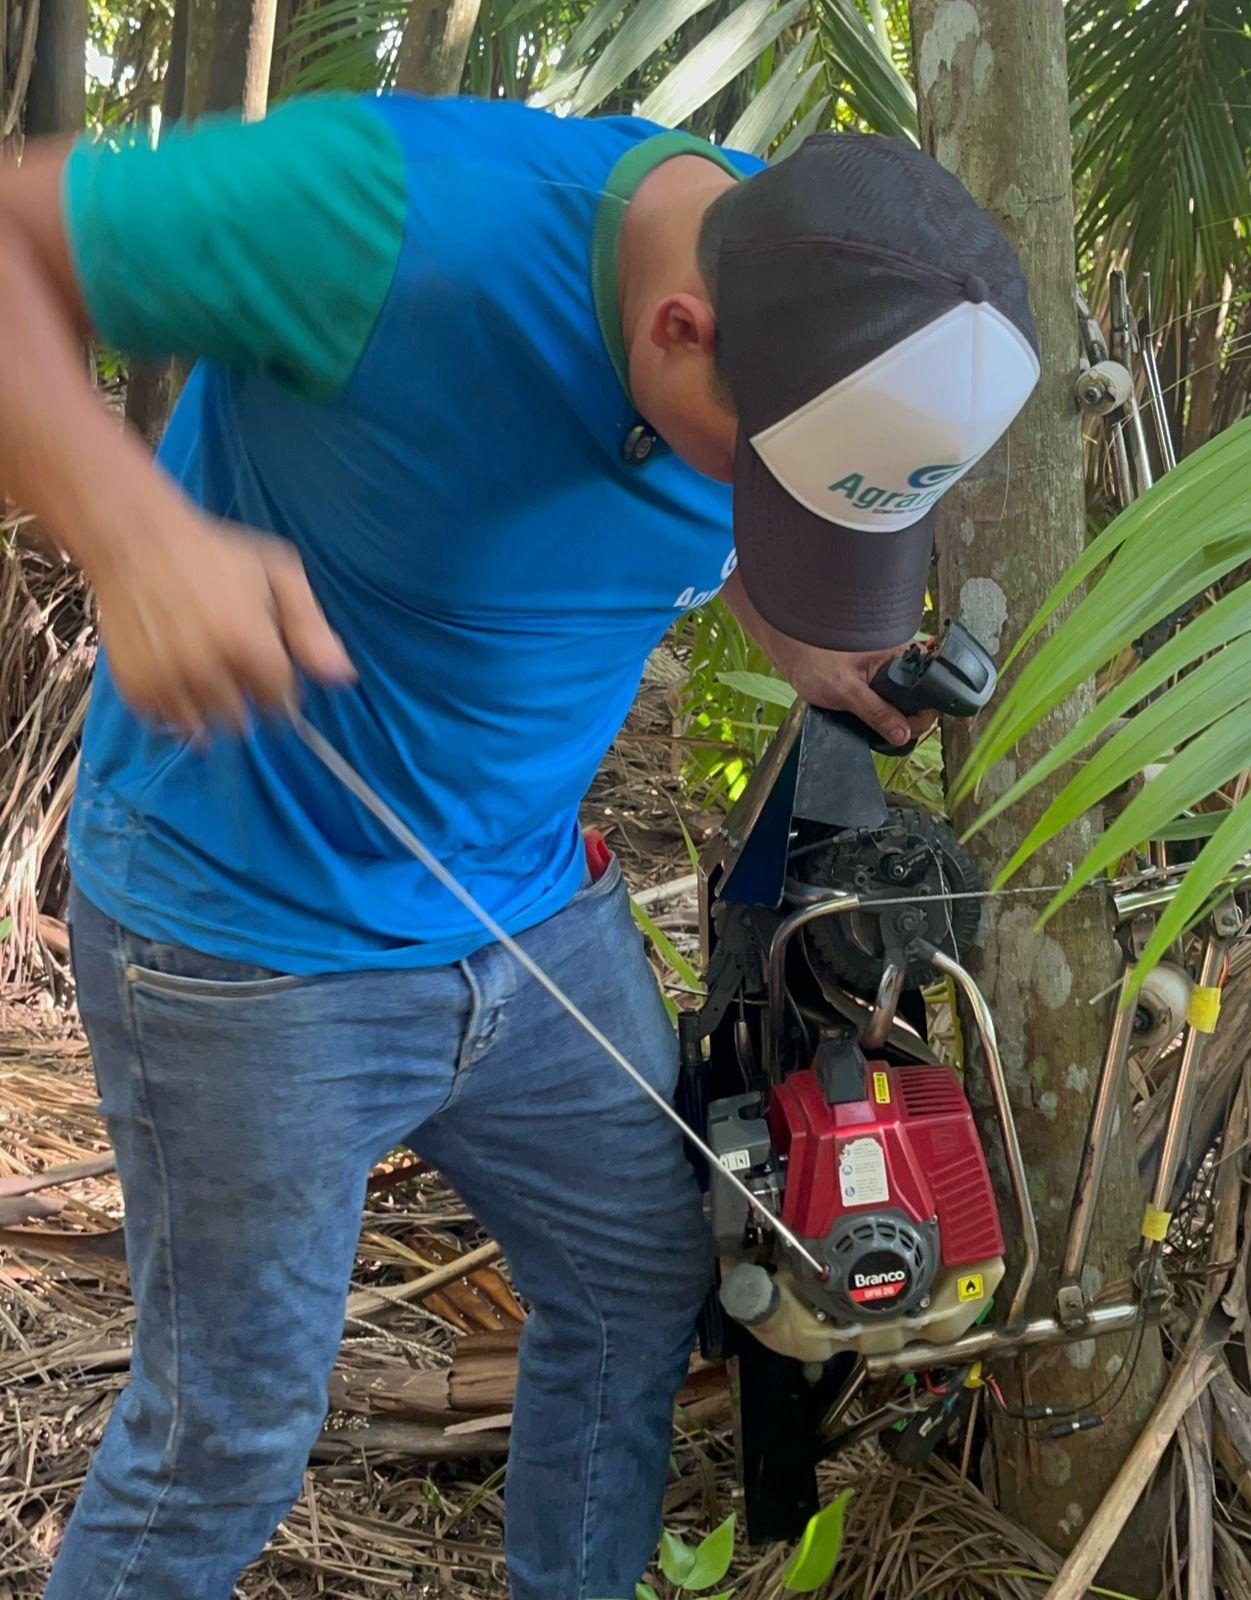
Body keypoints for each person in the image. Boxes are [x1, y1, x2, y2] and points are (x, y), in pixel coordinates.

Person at [0, 90, 1038, 1600]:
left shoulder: (838, 277)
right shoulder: (389, 220)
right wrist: (130, 532)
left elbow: (741, 518)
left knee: (637, 1286)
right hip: (246, 938)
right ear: (679, 329)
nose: (740, 514)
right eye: (752, 485)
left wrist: (817, 645)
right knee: (229, 1430)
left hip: (531, 919)